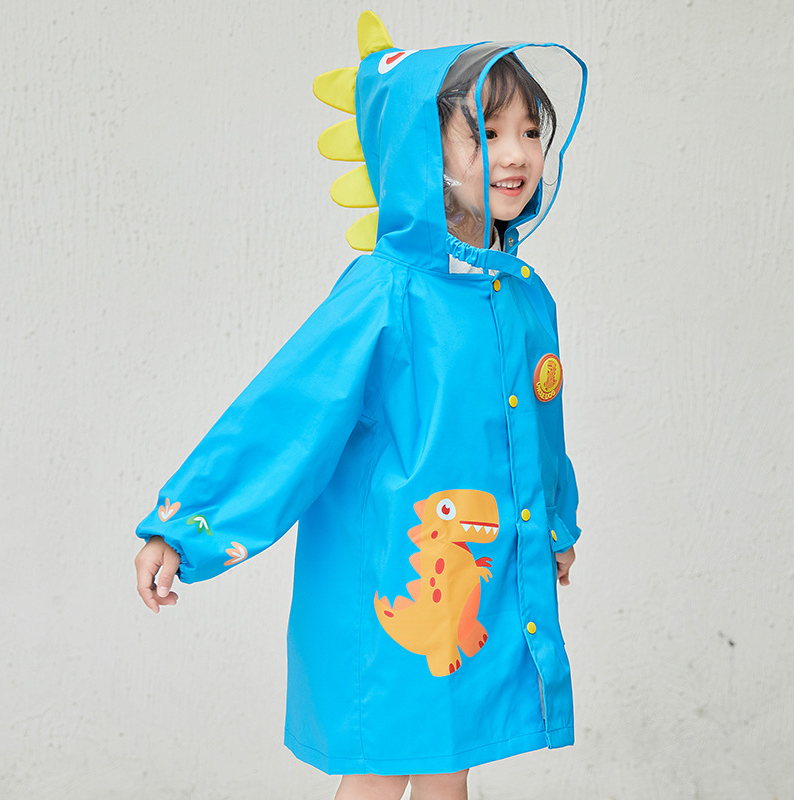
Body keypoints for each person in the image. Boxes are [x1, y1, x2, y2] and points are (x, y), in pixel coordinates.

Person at [134, 12, 587, 800]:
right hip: (395, 573)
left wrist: (553, 524)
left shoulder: (522, 296)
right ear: (421, 153)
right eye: (485, 133)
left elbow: (538, 427)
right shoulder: (385, 293)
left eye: (529, 131)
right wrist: (187, 523)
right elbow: (286, 413)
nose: (516, 154)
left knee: (451, 759)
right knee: (381, 769)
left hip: (477, 579)